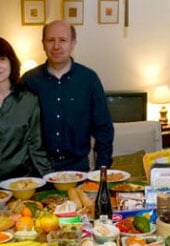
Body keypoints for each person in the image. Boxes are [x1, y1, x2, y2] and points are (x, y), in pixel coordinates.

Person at [22, 20, 114, 172]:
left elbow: (104, 129)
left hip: (78, 170)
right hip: (38, 171)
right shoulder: (29, 81)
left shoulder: (89, 80)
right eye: (51, 40)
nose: (56, 46)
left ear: (73, 44)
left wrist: (101, 172)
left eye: (63, 40)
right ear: (43, 44)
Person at [0, 36, 51, 188]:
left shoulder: (29, 100)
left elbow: (36, 148)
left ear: (11, 62)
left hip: (23, 186)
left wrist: (51, 183)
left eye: (2, 59)